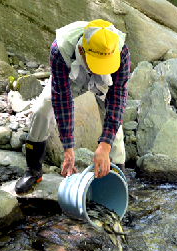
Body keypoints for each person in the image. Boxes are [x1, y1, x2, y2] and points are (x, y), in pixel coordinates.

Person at [15, 19, 130, 194]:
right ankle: (33, 170)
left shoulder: (120, 51)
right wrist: (68, 149)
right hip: (71, 76)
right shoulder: (60, 49)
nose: (99, 69)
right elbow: (62, 101)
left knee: (116, 133)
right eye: (97, 64)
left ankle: (119, 185)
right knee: (41, 110)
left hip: (104, 83)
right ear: (82, 51)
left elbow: (117, 98)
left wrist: (105, 145)